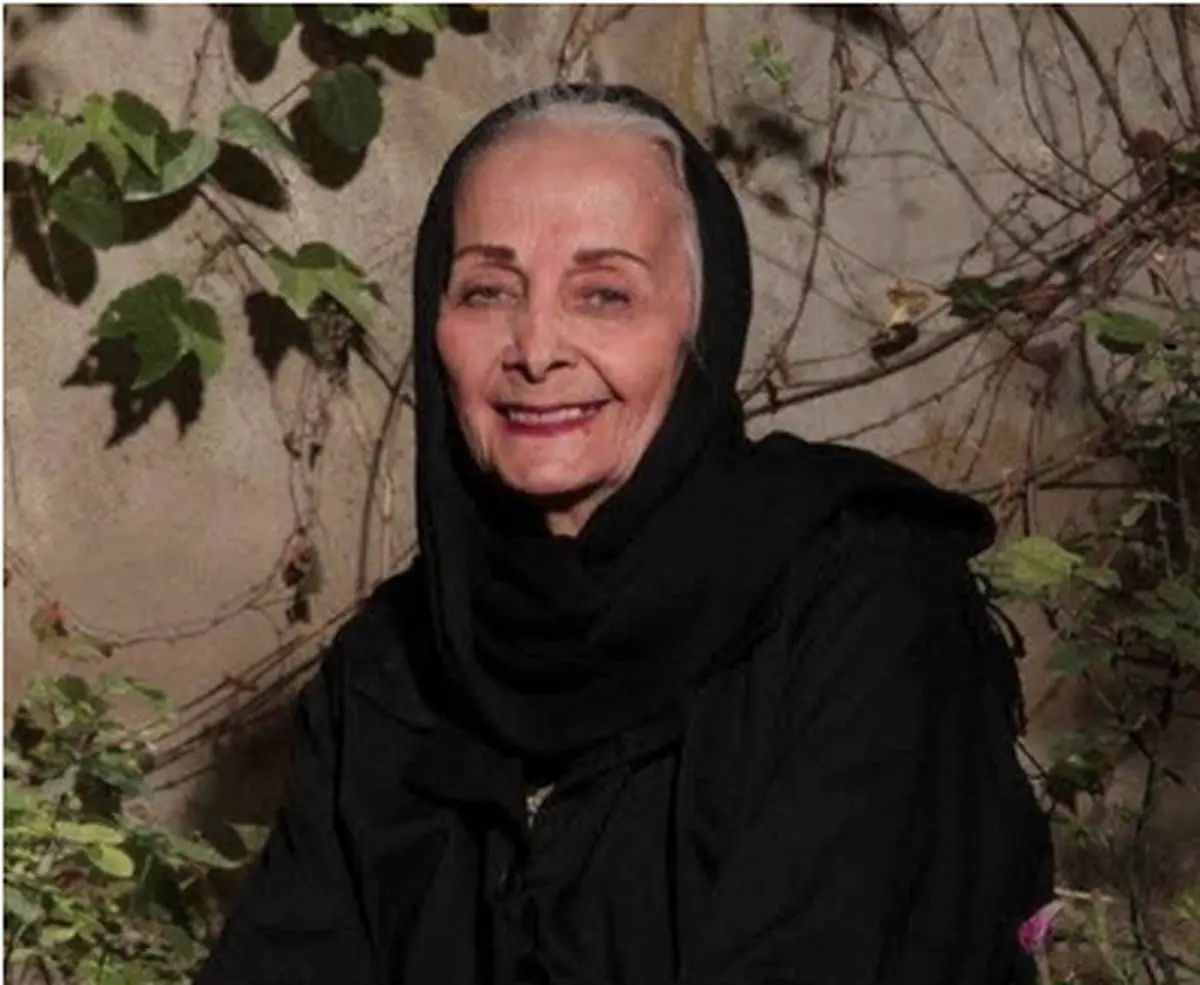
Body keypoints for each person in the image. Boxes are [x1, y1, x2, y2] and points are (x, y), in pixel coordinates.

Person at [197, 83, 1053, 985]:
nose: (536, 349)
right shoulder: (393, 666)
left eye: (604, 295)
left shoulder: (863, 608)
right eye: (487, 290)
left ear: (701, 324)